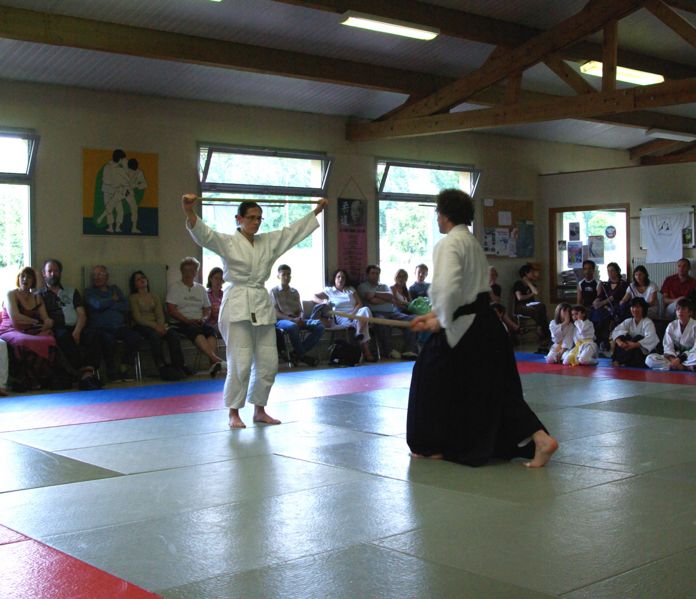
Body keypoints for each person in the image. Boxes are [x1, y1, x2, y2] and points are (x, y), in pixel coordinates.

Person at [407, 189, 558, 468]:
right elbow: (466, 291)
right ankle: (540, 438)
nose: (437, 217)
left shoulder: (449, 244)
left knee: (428, 375)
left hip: (465, 329)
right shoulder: (472, 242)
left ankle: (431, 446)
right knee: (493, 388)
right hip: (486, 324)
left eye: (438, 212)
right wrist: (434, 314)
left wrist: (439, 319)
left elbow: (448, 288)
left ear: (445, 214)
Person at [182, 194, 327, 429]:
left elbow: (291, 233)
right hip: (238, 304)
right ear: (238, 219)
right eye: (251, 217)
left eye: (259, 218)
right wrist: (189, 211)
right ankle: (233, 412)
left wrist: (316, 211)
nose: (256, 222)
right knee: (240, 361)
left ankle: (260, 410)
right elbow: (205, 235)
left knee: (268, 361)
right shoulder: (228, 242)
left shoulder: (267, 242)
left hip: (261, 303)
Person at [38, 259, 101, 390]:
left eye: (56, 271)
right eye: (50, 271)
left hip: (77, 326)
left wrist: (77, 331)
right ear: (44, 273)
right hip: (58, 328)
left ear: (60, 273)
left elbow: (82, 314)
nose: (53, 274)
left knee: (95, 334)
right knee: (64, 337)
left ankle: (89, 372)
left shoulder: (72, 291)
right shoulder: (39, 295)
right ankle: (84, 375)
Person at [0, 267, 58, 390]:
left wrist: (48, 323)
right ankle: (25, 378)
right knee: (23, 341)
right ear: (18, 278)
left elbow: (46, 318)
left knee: (50, 338)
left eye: (29, 277)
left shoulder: (37, 297)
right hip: (11, 329)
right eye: (23, 276)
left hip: (30, 330)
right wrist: (36, 322)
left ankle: (39, 376)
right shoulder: (11, 294)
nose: (25, 279)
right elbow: (15, 318)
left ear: (33, 281)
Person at [83, 265, 144, 382]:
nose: (96, 277)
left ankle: (125, 366)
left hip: (119, 327)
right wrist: (113, 300)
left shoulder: (115, 289)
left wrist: (107, 306)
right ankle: (111, 371)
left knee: (135, 337)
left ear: (107, 277)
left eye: (100, 274)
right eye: (94, 275)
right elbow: (97, 305)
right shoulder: (89, 292)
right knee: (108, 340)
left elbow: (125, 306)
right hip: (101, 328)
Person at [166, 257, 223, 377]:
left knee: (210, 331)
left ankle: (212, 364)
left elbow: (207, 308)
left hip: (199, 320)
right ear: (182, 271)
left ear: (196, 272)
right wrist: (186, 320)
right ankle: (215, 359)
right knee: (195, 330)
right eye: (186, 270)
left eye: (192, 270)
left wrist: (204, 318)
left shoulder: (200, 289)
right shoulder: (174, 287)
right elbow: (171, 309)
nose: (189, 273)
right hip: (181, 322)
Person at [129, 270, 186, 381]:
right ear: (134, 284)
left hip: (158, 325)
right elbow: (138, 318)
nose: (141, 280)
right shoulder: (133, 298)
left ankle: (178, 366)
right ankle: (162, 366)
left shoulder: (154, 296)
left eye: (143, 277)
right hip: (143, 325)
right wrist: (155, 326)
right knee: (154, 336)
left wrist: (160, 325)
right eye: (138, 279)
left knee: (173, 335)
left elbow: (160, 314)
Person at [314, 269, 375, 362]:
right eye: (338, 277)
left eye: (343, 277)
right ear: (334, 279)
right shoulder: (329, 290)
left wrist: (353, 315)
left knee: (365, 309)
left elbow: (359, 303)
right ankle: (366, 351)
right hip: (341, 317)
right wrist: (323, 301)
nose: (341, 279)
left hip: (354, 314)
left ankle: (359, 332)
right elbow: (313, 296)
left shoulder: (350, 289)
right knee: (364, 322)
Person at [358, 264, 418, 360]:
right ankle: (388, 351)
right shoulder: (363, 286)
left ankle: (409, 350)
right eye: (373, 273)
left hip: (392, 313)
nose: (375, 275)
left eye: (377, 273)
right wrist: (385, 299)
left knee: (413, 319)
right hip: (376, 313)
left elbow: (390, 296)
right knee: (382, 322)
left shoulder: (384, 286)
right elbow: (372, 300)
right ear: (367, 275)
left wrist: (375, 294)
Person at [270, 264, 324, 367]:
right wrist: (293, 320)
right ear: (278, 276)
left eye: (288, 274)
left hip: (296, 319)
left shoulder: (294, 292)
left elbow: (300, 310)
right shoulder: (273, 291)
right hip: (282, 321)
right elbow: (275, 313)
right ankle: (302, 356)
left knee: (319, 326)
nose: (286, 277)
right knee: (293, 326)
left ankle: (296, 354)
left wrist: (300, 318)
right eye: (283, 274)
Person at [645, 298, 696, 371]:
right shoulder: (671, 325)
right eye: (678, 309)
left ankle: (677, 367)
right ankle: (684, 367)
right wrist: (673, 360)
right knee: (649, 359)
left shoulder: (694, 325)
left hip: (689, 357)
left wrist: (680, 359)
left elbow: (695, 349)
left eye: (683, 309)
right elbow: (668, 346)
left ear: (690, 312)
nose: (680, 311)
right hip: (674, 358)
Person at [611, 297, 659, 368]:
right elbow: (616, 331)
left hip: (642, 353)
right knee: (622, 337)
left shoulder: (648, 322)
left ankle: (620, 361)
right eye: (633, 307)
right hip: (628, 349)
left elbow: (651, 338)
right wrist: (619, 342)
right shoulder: (628, 321)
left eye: (638, 307)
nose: (635, 309)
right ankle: (622, 361)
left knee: (638, 337)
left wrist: (635, 344)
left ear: (643, 309)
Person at [591, 262, 628, 351]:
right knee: (595, 314)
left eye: (612, 270)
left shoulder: (623, 284)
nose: (610, 273)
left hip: (617, 307)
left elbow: (613, 298)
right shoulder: (605, 285)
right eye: (608, 271)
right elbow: (600, 296)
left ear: (618, 271)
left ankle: (604, 342)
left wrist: (602, 303)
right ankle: (598, 340)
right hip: (605, 307)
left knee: (605, 317)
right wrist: (596, 301)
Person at [513, 263, 549, 346]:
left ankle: (540, 329)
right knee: (540, 311)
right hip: (521, 307)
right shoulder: (518, 284)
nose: (534, 274)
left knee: (541, 307)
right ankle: (543, 334)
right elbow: (519, 297)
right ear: (526, 273)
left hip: (532, 307)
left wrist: (528, 283)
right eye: (532, 272)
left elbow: (536, 292)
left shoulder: (532, 284)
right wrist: (530, 294)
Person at [489, 266, 519, 336]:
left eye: (495, 275)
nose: (493, 277)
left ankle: (513, 329)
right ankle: (515, 327)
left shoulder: (497, 287)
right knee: (499, 310)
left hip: (495, 307)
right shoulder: (482, 287)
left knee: (498, 308)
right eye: (491, 275)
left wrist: (490, 290)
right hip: (486, 307)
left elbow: (497, 300)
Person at [206, 267, 224, 335]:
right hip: (211, 324)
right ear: (211, 279)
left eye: (221, 279)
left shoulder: (225, 295)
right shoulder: (205, 294)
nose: (218, 281)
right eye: (216, 278)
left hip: (224, 322)